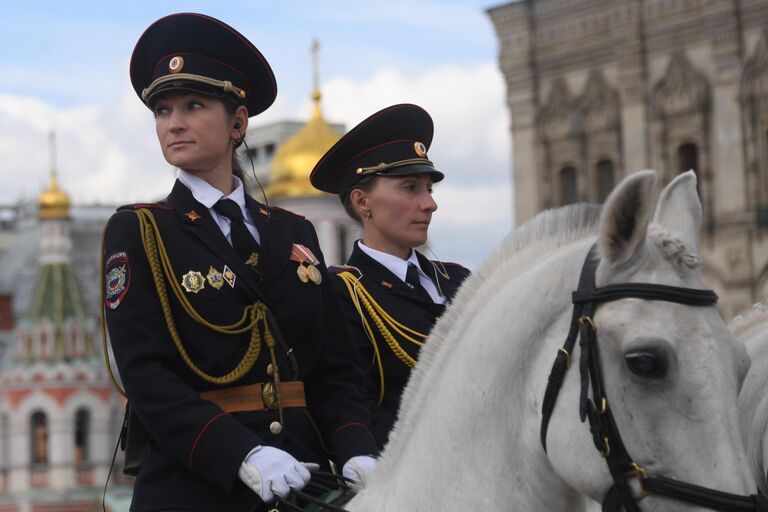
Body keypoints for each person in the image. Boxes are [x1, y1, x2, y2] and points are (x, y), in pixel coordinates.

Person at [101, 13, 377, 511]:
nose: (174, 122)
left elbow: (334, 369)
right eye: (162, 110)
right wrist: (241, 453)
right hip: (193, 490)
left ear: (238, 122)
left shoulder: (294, 232)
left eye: (194, 105)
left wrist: (357, 448)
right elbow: (146, 378)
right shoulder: (141, 231)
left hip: (303, 486)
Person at [309, 104, 470, 449]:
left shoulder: (459, 282)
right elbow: (351, 404)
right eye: (410, 188)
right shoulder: (341, 294)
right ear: (362, 201)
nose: (429, 204)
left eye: (429, 189)